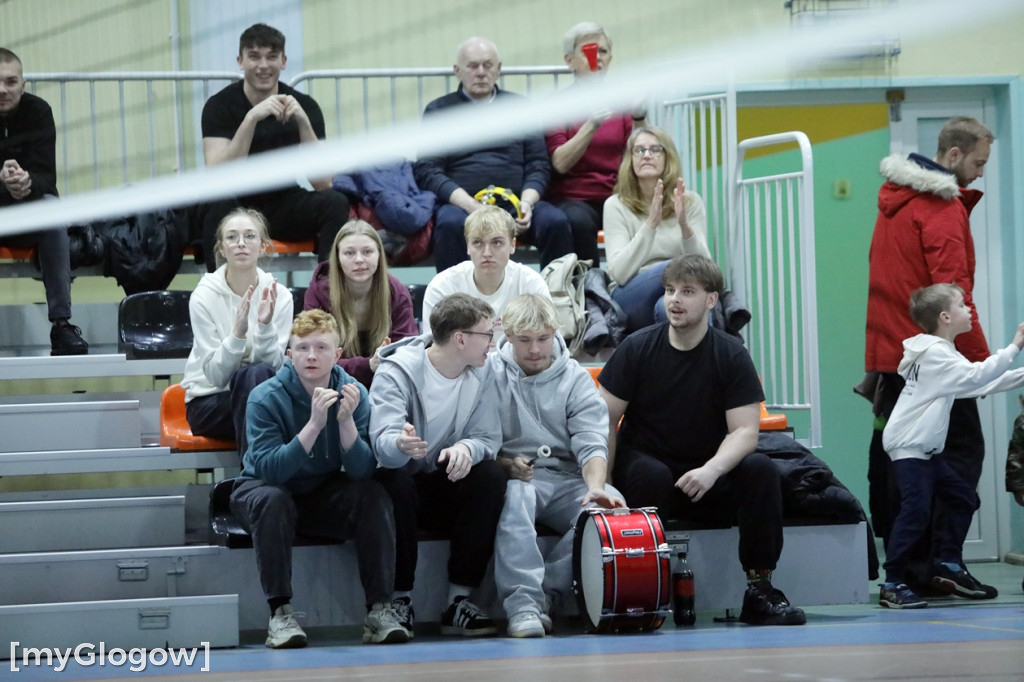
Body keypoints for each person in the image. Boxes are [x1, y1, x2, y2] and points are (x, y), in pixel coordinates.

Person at [598, 254, 805, 626]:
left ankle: (760, 590)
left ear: (711, 300)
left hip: (704, 476)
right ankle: (645, 587)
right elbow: (604, 422)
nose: (674, 300)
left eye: (687, 291)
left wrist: (712, 470)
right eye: (669, 290)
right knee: (651, 474)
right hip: (647, 472)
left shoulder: (731, 354)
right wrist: (605, 485)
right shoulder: (637, 347)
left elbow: (745, 431)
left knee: (760, 469)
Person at [864, 116, 997, 596]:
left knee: (904, 470)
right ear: (954, 154)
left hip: (894, 357)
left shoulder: (894, 201)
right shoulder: (939, 207)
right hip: (934, 361)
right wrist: (978, 367)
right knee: (959, 459)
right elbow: (953, 293)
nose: (981, 172)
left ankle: (911, 570)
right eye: (978, 162)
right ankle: (944, 560)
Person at [232, 309, 410, 648]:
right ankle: (280, 614)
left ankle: (380, 611)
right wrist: (314, 424)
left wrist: (346, 425)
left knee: (372, 494)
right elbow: (270, 472)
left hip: (318, 493)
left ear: (337, 354)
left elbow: (362, 471)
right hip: (260, 491)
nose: (311, 356)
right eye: (302, 348)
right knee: (274, 500)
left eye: (321, 347)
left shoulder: (354, 392)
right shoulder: (265, 397)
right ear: (289, 354)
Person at [369, 293, 506, 637]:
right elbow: (382, 444)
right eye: (487, 335)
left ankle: (458, 600)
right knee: (394, 479)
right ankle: (399, 600)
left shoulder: (484, 371)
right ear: (460, 339)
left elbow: (488, 437)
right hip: (402, 481)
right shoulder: (396, 371)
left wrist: (466, 448)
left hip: (442, 483)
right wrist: (399, 444)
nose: (492, 343)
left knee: (490, 475)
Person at [879, 284, 1024, 608]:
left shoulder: (941, 352)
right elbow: (977, 376)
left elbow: (975, 384)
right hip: (910, 449)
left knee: (963, 498)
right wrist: (1015, 345)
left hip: (925, 452)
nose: (969, 309)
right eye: (962, 305)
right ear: (945, 317)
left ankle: (946, 561)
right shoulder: (935, 353)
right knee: (915, 513)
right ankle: (892, 583)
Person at [490, 293, 624, 637]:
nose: (535, 349)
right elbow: (478, 437)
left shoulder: (576, 379)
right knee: (516, 499)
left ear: (556, 333)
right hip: (518, 477)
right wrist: (505, 464)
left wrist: (596, 487)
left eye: (544, 338)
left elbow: (591, 440)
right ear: (508, 334)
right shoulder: (488, 373)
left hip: (567, 477)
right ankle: (522, 606)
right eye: (524, 340)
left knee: (609, 509)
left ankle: (545, 594)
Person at [196, 23, 348, 272]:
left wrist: (303, 122)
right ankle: (221, 289)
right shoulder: (219, 105)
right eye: (254, 57)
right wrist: (251, 119)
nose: (263, 65)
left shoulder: (304, 105)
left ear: (283, 61)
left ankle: (326, 290)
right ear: (240, 61)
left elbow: (323, 182)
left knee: (335, 202)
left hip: (283, 204)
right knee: (216, 204)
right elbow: (216, 175)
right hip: (236, 205)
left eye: (271, 57)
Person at [413, 36, 572, 273]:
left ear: (498, 69)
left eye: (487, 65)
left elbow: (538, 164)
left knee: (555, 222)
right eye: (472, 66)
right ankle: (454, 296)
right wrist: (470, 205)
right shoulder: (439, 111)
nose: (480, 72)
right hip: (462, 206)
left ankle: (557, 292)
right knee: (449, 225)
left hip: (516, 204)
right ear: (457, 71)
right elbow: (428, 170)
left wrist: (526, 204)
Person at [182, 208, 292, 459]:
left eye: (249, 236)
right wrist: (237, 335)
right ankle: (260, 475)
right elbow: (217, 377)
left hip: (262, 392)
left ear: (263, 247)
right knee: (264, 404)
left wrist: (264, 327)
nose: (241, 243)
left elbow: (273, 367)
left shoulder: (280, 295)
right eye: (232, 237)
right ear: (222, 249)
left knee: (258, 378)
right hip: (210, 403)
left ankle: (253, 476)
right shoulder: (203, 296)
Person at [0, 48, 88, 356]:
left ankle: (61, 325)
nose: (3, 89)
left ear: (23, 84)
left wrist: (25, 182)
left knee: (53, 212)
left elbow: (46, 178)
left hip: (28, 210)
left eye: (11, 81)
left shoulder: (39, 111)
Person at [545, 21, 641, 267]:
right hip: (574, 198)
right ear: (569, 61)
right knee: (578, 222)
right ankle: (590, 286)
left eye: (603, 51)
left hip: (617, 194)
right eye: (589, 51)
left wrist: (640, 117)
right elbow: (560, 163)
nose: (597, 57)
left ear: (610, 59)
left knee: (651, 213)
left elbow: (639, 153)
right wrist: (591, 124)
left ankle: (636, 284)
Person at [603, 125, 711, 333]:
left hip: (681, 292)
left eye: (655, 149)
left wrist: (685, 227)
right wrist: (650, 225)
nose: (646, 155)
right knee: (676, 267)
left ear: (667, 157)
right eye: (639, 150)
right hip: (631, 294)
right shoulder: (616, 205)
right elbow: (620, 273)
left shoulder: (690, 202)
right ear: (630, 159)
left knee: (669, 308)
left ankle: (704, 354)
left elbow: (704, 268)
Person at [303, 220, 419, 387]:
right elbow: (315, 359)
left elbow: (409, 352)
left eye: (367, 252)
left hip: (386, 384)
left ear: (379, 255)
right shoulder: (318, 293)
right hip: (332, 386)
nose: (359, 260)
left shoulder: (396, 292)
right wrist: (368, 365)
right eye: (349, 253)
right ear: (337, 258)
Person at [421, 206, 551, 346]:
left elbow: (550, 343)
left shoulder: (531, 283)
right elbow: (433, 348)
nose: (487, 253)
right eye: (478, 243)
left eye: (497, 243)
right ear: (468, 247)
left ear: (512, 245)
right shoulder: (443, 286)